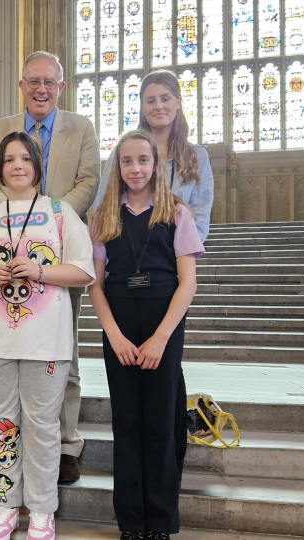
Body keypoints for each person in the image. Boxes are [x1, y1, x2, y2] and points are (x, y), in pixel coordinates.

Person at [0, 132, 95, 540]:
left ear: (37, 166)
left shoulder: (60, 213)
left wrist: (39, 271)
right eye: (8, 160)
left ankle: (41, 509)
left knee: (41, 424)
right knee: (2, 422)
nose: (17, 165)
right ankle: (4, 504)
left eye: (25, 159)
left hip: (45, 340)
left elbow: (84, 271)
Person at [0, 51, 101, 485]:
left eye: (50, 81)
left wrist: (51, 218)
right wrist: (14, 222)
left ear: (61, 86)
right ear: (22, 84)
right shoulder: (0, 130)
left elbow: (89, 180)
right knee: (6, 347)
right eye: (34, 81)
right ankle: (10, 448)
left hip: (59, 257)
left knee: (62, 350)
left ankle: (65, 444)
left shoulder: (80, 127)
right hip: (4, 255)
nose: (41, 88)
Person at [94, 69, 214, 479]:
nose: (158, 105)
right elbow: (106, 209)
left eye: (165, 98)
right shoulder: (124, 153)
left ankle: (167, 470)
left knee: (167, 374)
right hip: (126, 276)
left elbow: (199, 219)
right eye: (150, 99)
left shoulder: (195, 157)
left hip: (170, 271)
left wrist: (171, 238)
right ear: (142, 107)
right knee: (147, 388)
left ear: (178, 103)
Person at [88, 130, 202, 540]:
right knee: (127, 424)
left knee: (160, 424)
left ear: (156, 164)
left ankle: (160, 522)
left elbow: (187, 283)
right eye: (126, 161)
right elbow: (95, 285)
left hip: (162, 322)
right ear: (117, 168)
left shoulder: (177, 213)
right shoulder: (103, 215)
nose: (135, 169)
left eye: (143, 160)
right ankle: (131, 524)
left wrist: (160, 340)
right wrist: (114, 335)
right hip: (119, 324)